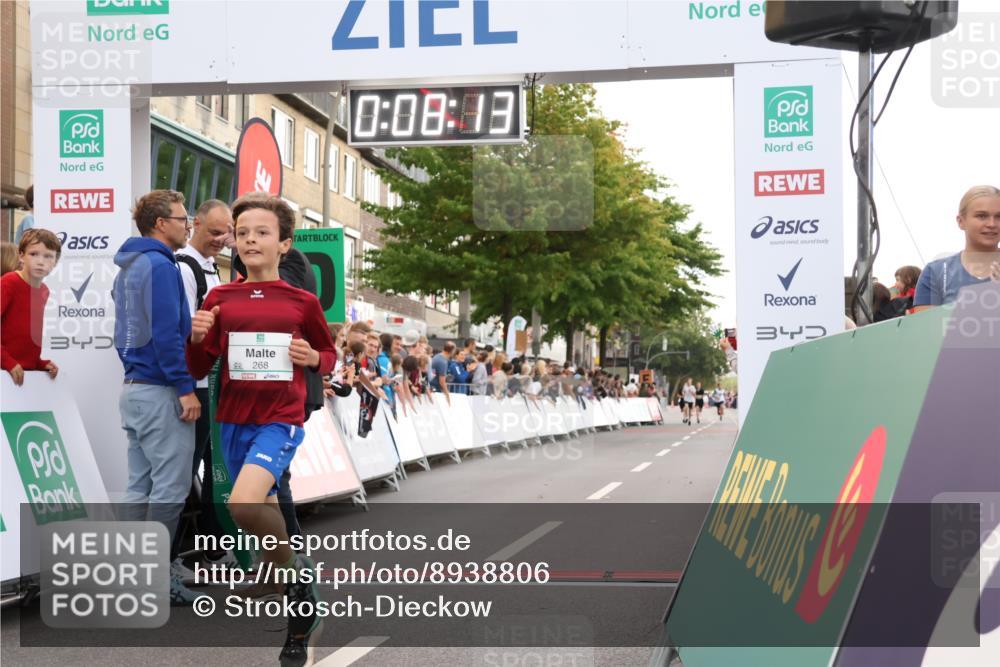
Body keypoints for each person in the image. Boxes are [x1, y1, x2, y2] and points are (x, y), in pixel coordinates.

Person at [187, 194, 335, 665]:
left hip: (280, 418)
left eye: (262, 232)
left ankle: (288, 570)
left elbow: (328, 354)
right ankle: (298, 602)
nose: (250, 239)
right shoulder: (220, 298)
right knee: (260, 514)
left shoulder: (301, 300)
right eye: (243, 231)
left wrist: (313, 359)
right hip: (232, 417)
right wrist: (195, 337)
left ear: (284, 244)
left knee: (243, 503)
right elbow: (199, 362)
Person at [111, 190, 200, 605]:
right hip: (161, 390)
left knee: (138, 486)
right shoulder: (162, 267)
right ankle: (156, 578)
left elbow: (127, 334)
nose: (188, 226)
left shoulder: (128, 267)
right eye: (183, 219)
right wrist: (184, 388)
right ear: (161, 223)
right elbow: (166, 335)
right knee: (168, 489)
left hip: (134, 389)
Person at [172, 199, 235, 579]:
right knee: (182, 471)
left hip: (212, 384)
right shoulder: (184, 267)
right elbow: (181, 331)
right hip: (194, 385)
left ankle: (214, 547)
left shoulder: (213, 268)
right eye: (214, 232)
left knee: (215, 470)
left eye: (226, 232)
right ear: (195, 223)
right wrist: (186, 387)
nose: (222, 239)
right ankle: (173, 556)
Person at [913, 185, 1000, 310]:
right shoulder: (936, 273)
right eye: (981, 216)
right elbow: (927, 327)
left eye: (999, 217)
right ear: (961, 221)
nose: (991, 224)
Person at [2, 229, 61, 386]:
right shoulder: (9, 282)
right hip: (4, 373)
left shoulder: (44, 291)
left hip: (23, 375)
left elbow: (26, 336)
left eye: (48, 256)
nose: (40, 261)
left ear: (55, 261)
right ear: (21, 256)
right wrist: (7, 361)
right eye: (33, 254)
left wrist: (39, 363)